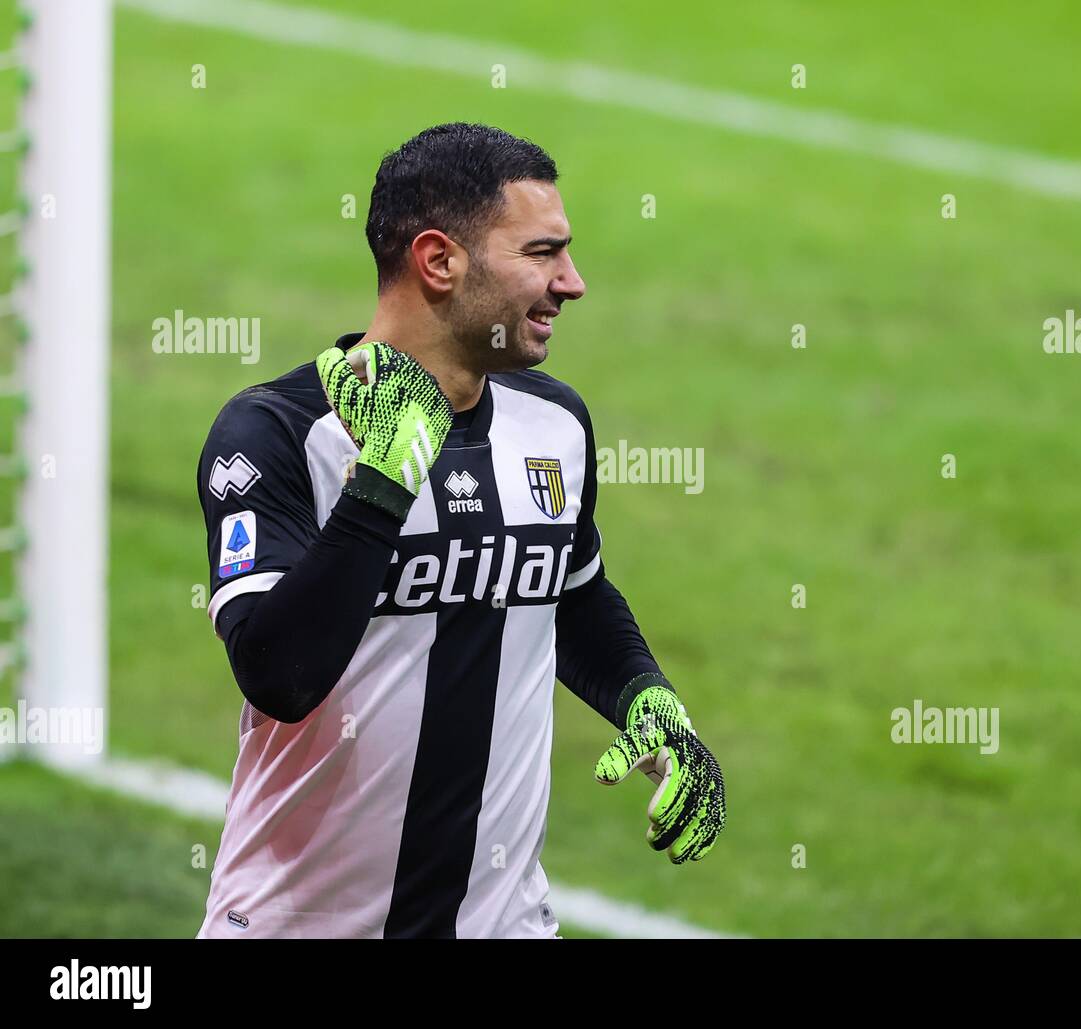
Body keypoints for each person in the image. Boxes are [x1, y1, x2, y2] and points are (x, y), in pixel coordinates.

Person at [194, 123, 725, 938]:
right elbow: (279, 674)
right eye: (542, 254)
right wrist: (382, 483)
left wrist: (644, 694)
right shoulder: (278, 432)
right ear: (439, 261)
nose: (572, 283)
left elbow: (570, 593)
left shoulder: (554, 423)